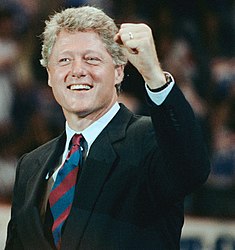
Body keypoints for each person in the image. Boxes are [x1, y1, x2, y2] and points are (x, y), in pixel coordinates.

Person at [5, 6, 210, 250]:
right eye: (64, 60)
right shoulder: (30, 166)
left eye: (91, 58)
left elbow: (192, 168)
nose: (78, 70)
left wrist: (154, 76)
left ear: (119, 71)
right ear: (50, 75)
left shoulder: (151, 140)